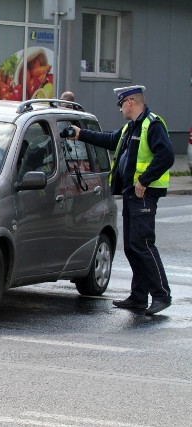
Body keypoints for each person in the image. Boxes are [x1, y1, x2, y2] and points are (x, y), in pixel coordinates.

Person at [67, 85, 175, 315]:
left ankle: (161, 294)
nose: (120, 110)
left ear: (131, 102)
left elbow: (166, 155)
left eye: (121, 104)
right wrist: (81, 134)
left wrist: (144, 181)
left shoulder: (152, 125)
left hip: (144, 194)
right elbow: (110, 139)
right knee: (132, 247)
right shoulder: (131, 127)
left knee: (143, 244)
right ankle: (138, 296)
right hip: (131, 193)